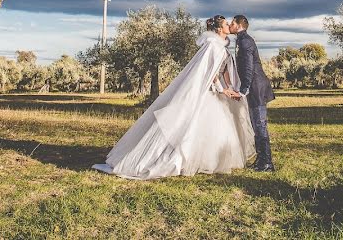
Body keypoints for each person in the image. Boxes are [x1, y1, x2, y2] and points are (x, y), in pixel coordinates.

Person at [92, 15, 255, 179]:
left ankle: (213, 160)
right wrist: (222, 90)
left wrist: (230, 88)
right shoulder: (212, 46)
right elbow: (210, 73)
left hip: (219, 93)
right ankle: (182, 160)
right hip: (210, 92)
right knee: (196, 128)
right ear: (219, 29)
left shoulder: (222, 48)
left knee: (218, 128)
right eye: (227, 24)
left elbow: (223, 70)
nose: (229, 26)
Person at [229, 14, 277, 172]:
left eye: (232, 23)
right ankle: (261, 159)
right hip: (253, 88)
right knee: (256, 125)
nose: (230, 25)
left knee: (260, 125)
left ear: (238, 25)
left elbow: (249, 68)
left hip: (257, 88)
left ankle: (267, 163)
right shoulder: (241, 40)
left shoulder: (245, 41)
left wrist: (244, 90)